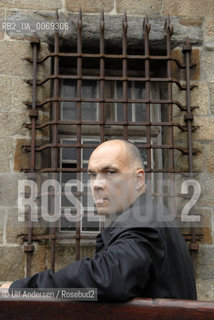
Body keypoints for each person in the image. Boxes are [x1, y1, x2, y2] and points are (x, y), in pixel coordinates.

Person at [1, 139, 197, 301]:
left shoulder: (145, 222)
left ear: (138, 180)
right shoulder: (147, 215)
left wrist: (23, 289)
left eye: (110, 172)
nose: (97, 185)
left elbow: (107, 278)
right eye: (92, 175)